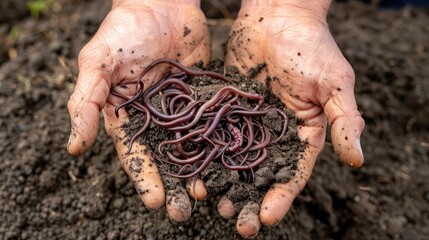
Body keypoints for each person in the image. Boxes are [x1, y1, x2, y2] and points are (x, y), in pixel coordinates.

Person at [67, 0, 365, 238]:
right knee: (206, 134)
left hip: (216, 110)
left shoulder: (239, 115)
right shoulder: (184, 101)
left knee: (223, 135)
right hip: (191, 101)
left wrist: (293, 9)